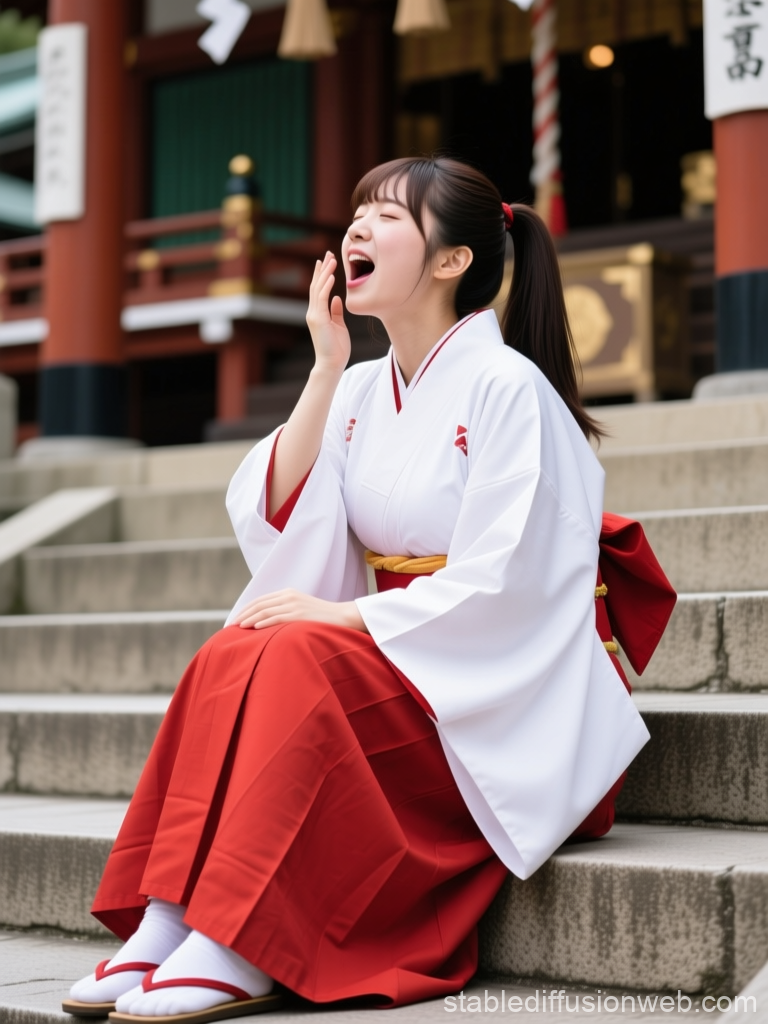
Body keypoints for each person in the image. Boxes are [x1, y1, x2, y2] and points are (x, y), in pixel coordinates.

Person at [63, 157, 658, 1024]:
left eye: (386, 216)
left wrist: (343, 614)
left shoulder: (510, 388)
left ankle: (242, 938)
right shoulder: (358, 390)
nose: (356, 231)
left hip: (500, 694)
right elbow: (282, 517)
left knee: (298, 647)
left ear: (453, 260)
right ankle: (170, 914)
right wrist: (324, 365)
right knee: (236, 649)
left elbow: (511, 580)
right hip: (404, 649)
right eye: (356, 214)